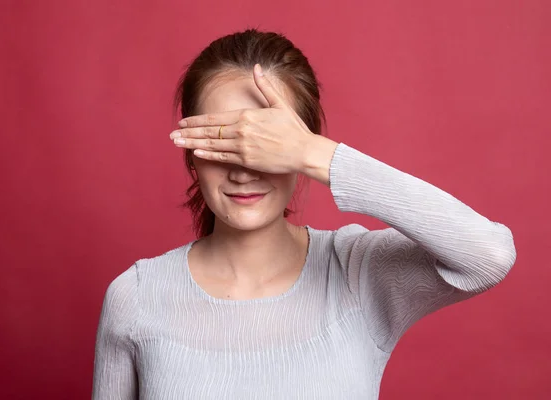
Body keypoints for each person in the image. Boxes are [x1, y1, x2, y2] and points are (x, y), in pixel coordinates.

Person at [92, 29, 516, 399]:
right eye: (223, 141)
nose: (243, 169)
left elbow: (489, 255)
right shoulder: (138, 298)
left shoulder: (357, 274)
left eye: (265, 143)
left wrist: (316, 154)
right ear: (190, 153)